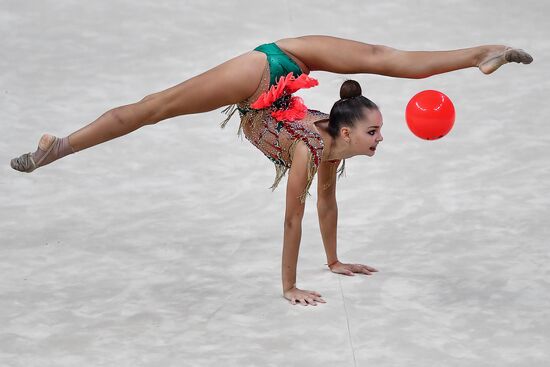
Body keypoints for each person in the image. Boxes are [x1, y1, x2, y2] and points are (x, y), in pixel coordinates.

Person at [10, 35, 533, 306]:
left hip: (280, 83)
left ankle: (480, 54)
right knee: (156, 106)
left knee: (378, 56)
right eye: (373, 132)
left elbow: (327, 203)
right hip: (262, 73)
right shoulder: (311, 150)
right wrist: (290, 287)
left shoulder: (331, 147)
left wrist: (334, 262)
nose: (382, 140)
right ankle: (61, 146)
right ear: (347, 132)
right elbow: (292, 221)